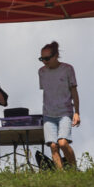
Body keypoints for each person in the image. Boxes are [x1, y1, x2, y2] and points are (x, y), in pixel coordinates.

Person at [38, 40, 80, 170]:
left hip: (64, 112)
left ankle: (74, 170)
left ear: (56, 56)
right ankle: (61, 176)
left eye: (47, 58)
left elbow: (74, 91)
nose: (44, 61)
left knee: (62, 143)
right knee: (53, 146)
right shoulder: (42, 72)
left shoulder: (68, 69)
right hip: (48, 113)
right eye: (42, 59)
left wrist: (77, 112)